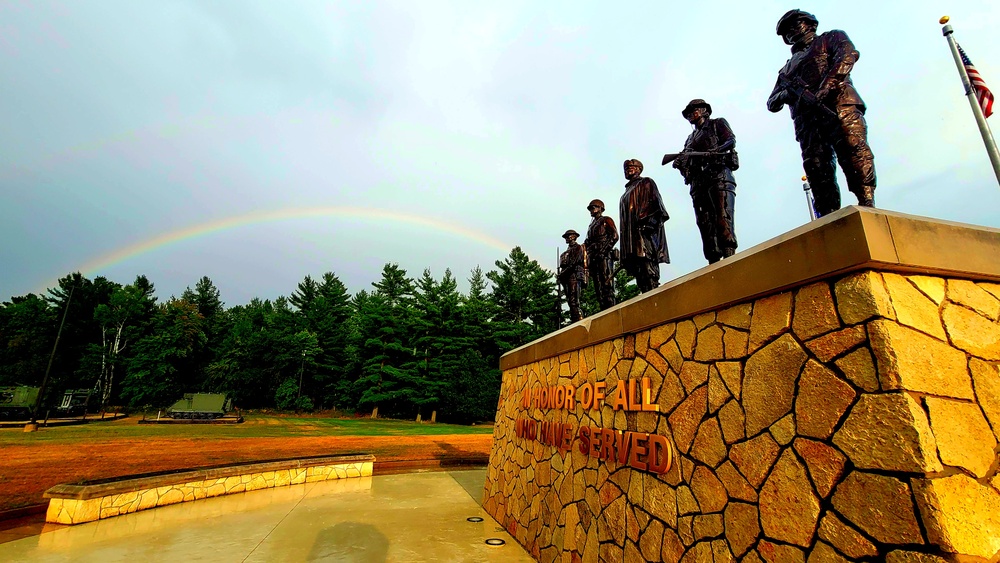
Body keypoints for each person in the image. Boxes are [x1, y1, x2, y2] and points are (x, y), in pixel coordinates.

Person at [766, 9, 876, 217]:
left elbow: (848, 55)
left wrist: (826, 86)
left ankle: (867, 200)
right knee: (817, 168)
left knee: (854, 152)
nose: (790, 31)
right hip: (807, 123)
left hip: (838, 106)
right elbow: (772, 102)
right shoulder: (786, 70)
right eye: (786, 31)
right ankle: (827, 215)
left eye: (795, 24)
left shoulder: (830, 38)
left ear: (810, 24)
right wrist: (786, 94)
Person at [672, 99, 739, 264]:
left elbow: (730, 140)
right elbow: (686, 164)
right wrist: (680, 164)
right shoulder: (689, 139)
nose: (690, 114)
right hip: (699, 184)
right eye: (688, 112)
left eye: (694, 110)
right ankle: (713, 258)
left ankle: (729, 253)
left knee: (723, 216)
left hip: (718, 177)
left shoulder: (717, 124)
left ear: (704, 111)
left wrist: (715, 151)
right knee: (705, 223)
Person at [618, 159, 669, 293]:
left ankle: (653, 289)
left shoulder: (646, 182)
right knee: (639, 270)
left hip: (644, 232)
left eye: (632, 167)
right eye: (626, 168)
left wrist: (650, 223)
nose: (628, 169)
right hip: (631, 237)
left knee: (647, 264)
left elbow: (655, 203)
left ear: (639, 169)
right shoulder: (625, 193)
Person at [583, 199, 619, 310]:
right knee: (598, 286)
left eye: (593, 207)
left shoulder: (606, 220)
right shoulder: (591, 226)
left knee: (606, 283)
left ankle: (610, 308)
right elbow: (587, 243)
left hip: (604, 257)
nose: (591, 210)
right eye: (590, 208)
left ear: (600, 208)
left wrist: (603, 251)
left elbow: (615, 236)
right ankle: (603, 309)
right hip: (593, 258)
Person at [558, 229, 587, 323]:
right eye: (566, 236)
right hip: (566, 277)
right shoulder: (565, 253)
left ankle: (578, 318)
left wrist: (563, 273)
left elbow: (574, 263)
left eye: (569, 236)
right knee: (570, 300)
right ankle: (574, 319)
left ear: (574, 236)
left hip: (574, 275)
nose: (567, 238)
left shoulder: (578, 248)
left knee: (574, 299)